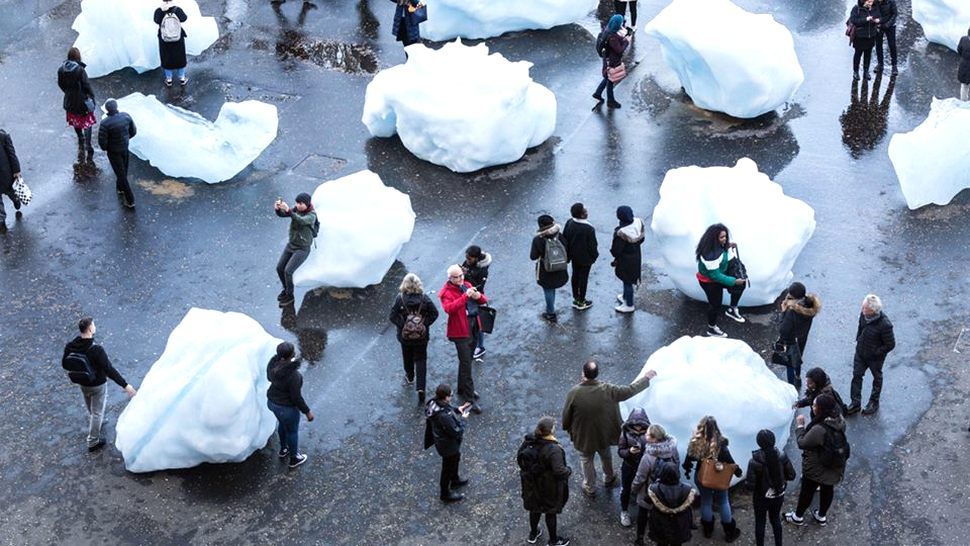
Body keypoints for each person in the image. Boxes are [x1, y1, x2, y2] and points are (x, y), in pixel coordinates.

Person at [561, 360, 656, 498]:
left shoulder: (574, 393)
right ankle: (609, 477)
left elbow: (566, 416)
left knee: (586, 460)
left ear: (583, 373)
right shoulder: (609, 390)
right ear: (597, 374)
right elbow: (630, 390)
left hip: (584, 437)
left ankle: (590, 486)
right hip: (604, 435)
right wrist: (646, 378)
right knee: (606, 455)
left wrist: (567, 427)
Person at [62, 317, 137, 451]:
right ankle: (93, 440)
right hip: (97, 385)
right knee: (97, 413)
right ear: (90, 329)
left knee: (91, 407)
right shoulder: (96, 350)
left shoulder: (71, 346)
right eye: (94, 325)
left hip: (82, 383)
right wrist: (125, 385)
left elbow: (64, 364)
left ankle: (96, 423)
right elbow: (109, 369)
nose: (95, 327)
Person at [785, 394, 848, 528]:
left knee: (807, 491)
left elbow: (803, 443)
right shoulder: (839, 419)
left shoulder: (819, 429)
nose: (812, 408)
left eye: (815, 405)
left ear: (821, 409)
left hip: (817, 467)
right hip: (835, 463)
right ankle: (821, 516)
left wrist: (800, 426)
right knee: (828, 489)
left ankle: (798, 517)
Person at [682, 416, 743, 542]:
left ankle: (708, 530)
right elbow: (729, 460)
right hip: (719, 477)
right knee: (723, 502)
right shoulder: (721, 444)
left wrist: (687, 468)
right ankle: (729, 532)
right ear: (716, 428)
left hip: (702, 477)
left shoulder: (696, 442)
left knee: (706, 501)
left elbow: (688, 460)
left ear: (701, 427)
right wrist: (738, 471)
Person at [439, 264, 488, 414]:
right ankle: (469, 399)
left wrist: (477, 296)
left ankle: (462, 388)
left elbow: (483, 299)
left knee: (466, 361)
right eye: (456, 277)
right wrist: (464, 296)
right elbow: (450, 308)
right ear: (450, 278)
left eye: (461, 275)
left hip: (472, 327)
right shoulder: (446, 292)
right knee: (467, 365)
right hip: (460, 332)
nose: (460, 279)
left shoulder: (467, 284)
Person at [517, 416, 572, 546]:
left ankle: (533, 534)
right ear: (551, 431)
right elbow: (559, 471)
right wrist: (568, 471)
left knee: (534, 509)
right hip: (548, 486)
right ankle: (553, 540)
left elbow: (520, 458)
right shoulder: (553, 449)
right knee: (550, 512)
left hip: (531, 483)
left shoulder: (529, 441)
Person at [389, 272, 439, 404]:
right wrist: (423, 324)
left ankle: (410, 377)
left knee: (407, 356)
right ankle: (421, 388)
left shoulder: (400, 299)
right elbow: (435, 313)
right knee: (421, 359)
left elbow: (392, 316)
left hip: (405, 336)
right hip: (422, 337)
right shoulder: (424, 298)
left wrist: (403, 326)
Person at [266, 342, 314, 469]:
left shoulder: (272, 365)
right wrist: (307, 411)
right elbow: (296, 398)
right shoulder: (294, 376)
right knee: (292, 431)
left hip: (272, 403)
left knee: (282, 424)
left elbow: (269, 379)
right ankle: (294, 458)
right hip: (286, 408)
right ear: (291, 355)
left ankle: (283, 450)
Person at [631, 424, 680, 545]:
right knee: (663, 518)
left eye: (647, 434)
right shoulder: (673, 449)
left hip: (649, 492)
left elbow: (640, 477)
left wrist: (634, 489)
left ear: (654, 438)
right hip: (667, 491)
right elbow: (677, 465)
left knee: (642, 514)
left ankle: (640, 538)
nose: (645, 435)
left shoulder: (648, 457)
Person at [695, 223, 747, 337]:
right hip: (709, 282)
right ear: (714, 239)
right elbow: (715, 276)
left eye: (725, 237)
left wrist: (727, 245)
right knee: (715, 305)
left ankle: (732, 309)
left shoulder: (719, 246)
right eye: (722, 237)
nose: (725, 239)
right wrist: (733, 281)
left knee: (740, 285)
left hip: (719, 274)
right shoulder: (709, 254)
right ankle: (711, 328)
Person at [847, 294, 895, 415]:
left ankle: (874, 402)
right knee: (856, 376)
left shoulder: (885, 324)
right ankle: (855, 403)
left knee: (877, 378)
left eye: (865, 309)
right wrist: (858, 339)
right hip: (861, 353)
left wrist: (876, 352)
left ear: (873, 311)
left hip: (875, 358)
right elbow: (860, 327)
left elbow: (890, 344)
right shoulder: (864, 315)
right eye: (863, 307)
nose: (862, 311)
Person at [746, 430, 796, 546]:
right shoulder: (782, 456)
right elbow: (792, 475)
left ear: (759, 443)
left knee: (760, 522)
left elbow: (750, 486)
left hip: (761, 497)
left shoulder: (754, 461)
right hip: (778, 495)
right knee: (775, 519)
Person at [424, 383, 471, 502]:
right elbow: (457, 431)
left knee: (455, 458)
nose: (451, 397)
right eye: (450, 395)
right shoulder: (444, 417)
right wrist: (464, 419)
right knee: (447, 468)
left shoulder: (433, 403)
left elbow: (446, 408)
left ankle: (454, 479)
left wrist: (457, 409)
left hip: (443, 442)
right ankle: (445, 494)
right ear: (445, 397)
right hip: (447, 445)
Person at [274, 192, 317, 307]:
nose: (298, 205)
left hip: (302, 249)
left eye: (301, 203)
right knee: (279, 268)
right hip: (291, 245)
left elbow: (301, 221)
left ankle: (290, 296)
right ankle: (286, 289)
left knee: (288, 271)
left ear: (307, 204)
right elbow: (283, 215)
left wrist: (289, 211)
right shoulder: (296, 210)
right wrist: (278, 209)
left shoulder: (312, 215)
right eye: (297, 203)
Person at [777, 281, 822, 386]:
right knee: (798, 357)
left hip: (790, 340)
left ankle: (791, 385)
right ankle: (798, 375)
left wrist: (783, 312)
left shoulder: (792, 312)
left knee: (790, 363)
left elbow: (782, 330)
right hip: (802, 337)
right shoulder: (810, 305)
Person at [97, 99, 138, 209]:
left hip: (113, 151)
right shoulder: (126, 116)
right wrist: (125, 139)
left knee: (121, 174)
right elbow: (133, 131)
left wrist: (108, 147)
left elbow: (103, 143)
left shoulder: (105, 123)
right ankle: (120, 188)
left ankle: (130, 200)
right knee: (123, 169)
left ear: (107, 109)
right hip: (124, 148)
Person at [57, 47, 97, 157]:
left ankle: (80, 137)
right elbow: (86, 86)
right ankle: (88, 144)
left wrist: (68, 92)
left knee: (75, 120)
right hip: (82, 102)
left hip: (70, 101)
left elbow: (61, 84)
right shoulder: (80, 70)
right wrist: (92, 98)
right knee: (87, 123)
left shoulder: (61, 69)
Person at [644, 462, 696, 546]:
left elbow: (647, 500)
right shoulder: (687, 489)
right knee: (677, 543)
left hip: (660, 524)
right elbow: (693, 502)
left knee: (661, 543)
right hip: (679, 525)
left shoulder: (654, 489)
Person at [530, 214, 569, 323]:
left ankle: (550, 313)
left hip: (545, 270)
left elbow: (533, 256)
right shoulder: (559, 235)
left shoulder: (538, 239)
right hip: (560, 267)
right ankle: (550, 309)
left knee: (548, 289)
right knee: (553, 288)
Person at [617, 408, 651, 527]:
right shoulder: (625, 433)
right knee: (626, 489)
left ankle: (644, 509)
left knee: (645, 489)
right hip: (629, 466)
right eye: (636, 424)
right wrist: (629, 452)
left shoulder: (649, 433)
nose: (638, 427)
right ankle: (624, 511)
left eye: (640, 424)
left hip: (644, 468)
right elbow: (620, 451)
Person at [562, 202, 598, 310]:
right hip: (585, 259)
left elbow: (565, 238)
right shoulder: (589, 228)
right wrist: (594, 256)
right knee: (584, 278)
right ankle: (582, 300)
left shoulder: (569, 222)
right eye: (585, 210)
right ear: (582, 215)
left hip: (574, 257)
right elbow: (592, 245)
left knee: (575, 276)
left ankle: (576, 297)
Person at [610, 206, 644, 314]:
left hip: (625, 260)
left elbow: (616, 250)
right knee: (629, 279)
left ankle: (629, 304)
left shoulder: (621, 233)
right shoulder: (638, 223)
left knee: (627, 281)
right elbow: (642, 239)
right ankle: (625, 297)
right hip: (636, 256)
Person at [593, 14, 630, 109]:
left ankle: (598, 94)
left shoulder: (608, 30)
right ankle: (610, 101)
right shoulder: (612, 37)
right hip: (612, 61)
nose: (622, 24)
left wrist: (623, 37)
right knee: (610, 79)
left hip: (608, 59)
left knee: (608, 77)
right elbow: (619, 50)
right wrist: (627, 41)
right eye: (621, 23)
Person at [461, 245, 491, 359]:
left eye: (469, 259)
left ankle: (481, 346)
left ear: (476, 258)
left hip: (477, 297)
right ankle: (473, 342)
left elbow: (479, 287)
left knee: (478, 324)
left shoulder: (483, 270)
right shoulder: (468, 263)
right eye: (467, 258)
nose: (467, 261)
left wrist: (466, 275)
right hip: (467, 295)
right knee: (470, 321)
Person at [154, 0, 190, 86]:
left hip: (164, 38)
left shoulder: (159, 10)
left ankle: (169, 79)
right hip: (177, 37)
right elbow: (184, 18)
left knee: (166, 57)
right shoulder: (177, 9)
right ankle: (182, 78)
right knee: (180, 57)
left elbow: (156, 20)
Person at [849, 0, 882, 81]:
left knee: (868, 55)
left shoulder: (874, 7)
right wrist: (866, 19)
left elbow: (879, 16)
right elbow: (854, 20)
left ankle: (866, 72)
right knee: (858, 54)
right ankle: (855, 72)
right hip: (860, 36)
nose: (871, 3)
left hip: (871, 36)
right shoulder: (857, 8)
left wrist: (877, 20)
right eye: (869, 2)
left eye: (871, 1)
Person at [0, 129, 23, 232]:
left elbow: (11, 154)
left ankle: (16, 199)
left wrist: (16, 170)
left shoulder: (3, 136)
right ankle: (1, 220)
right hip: (5, 174)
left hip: (5, 173)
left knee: (10, 191)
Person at [874, 0, 898, 75]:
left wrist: (887, 25)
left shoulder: (890, 1)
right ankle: (880, 64)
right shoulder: (875, 2)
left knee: (892, 45)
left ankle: (894, 66)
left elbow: (894, 14)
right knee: (878, 45)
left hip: (890, 25)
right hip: (879, 25)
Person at [958, 27, 970, 101]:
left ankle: (963, 101)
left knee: (964, 85)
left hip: (964, 65)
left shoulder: (963, 39)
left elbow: (959, 49)